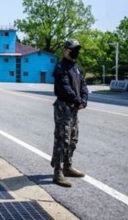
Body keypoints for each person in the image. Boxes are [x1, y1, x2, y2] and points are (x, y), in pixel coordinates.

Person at [51, 40, 89, 187]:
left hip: (74, 108)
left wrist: (84, 100)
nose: (75, 52)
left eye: (77, 49)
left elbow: (83, 85)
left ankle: (67, 166)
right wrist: (77, 100)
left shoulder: (77, 68)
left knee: (73, 138)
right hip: (63, 107)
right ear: (65, 50)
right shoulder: (61, 67)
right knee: (62, 138)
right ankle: (58, 171)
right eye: (73, 49)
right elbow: (65, 87)